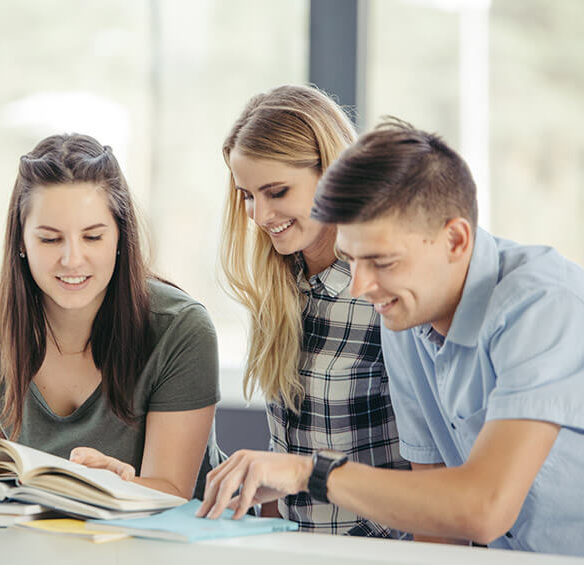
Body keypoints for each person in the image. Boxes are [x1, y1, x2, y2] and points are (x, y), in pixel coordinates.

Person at [197, 118, 584, 557]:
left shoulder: (542, 305)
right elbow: (436, 522)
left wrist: (312, 472)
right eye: (352, 259)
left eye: (382, 261)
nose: (360, 287)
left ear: (455, 240)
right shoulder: (405, 315)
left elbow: (484, 506)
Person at [0, 133, 222, 500]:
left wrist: (116, 484)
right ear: (20, 242)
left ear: (120, 236)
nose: (73, 259)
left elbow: (171, 494)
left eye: (92, 237)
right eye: (50, 239)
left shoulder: (180, 329)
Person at [210, 85, 408, 536]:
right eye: (246, 195)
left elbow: (432, 477)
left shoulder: (387, 297)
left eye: (276, 191)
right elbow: (282, 461)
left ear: (333, 173)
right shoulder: (281, 288)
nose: (260, 215)